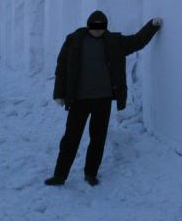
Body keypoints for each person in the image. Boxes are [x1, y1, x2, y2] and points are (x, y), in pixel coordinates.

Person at [45, 10, 163, 187]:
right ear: (88, 25)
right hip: (79, 100)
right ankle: (60, 175)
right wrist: (59, 93)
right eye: (95, 26)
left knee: (98, 138)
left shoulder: (114, 42)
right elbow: (62, 67)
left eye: (101, 26)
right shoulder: (74, 40)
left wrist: (152, 26)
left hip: (103, 99)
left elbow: (137, 41)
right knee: (71, 138)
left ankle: (91, 173)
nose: (97, 30)